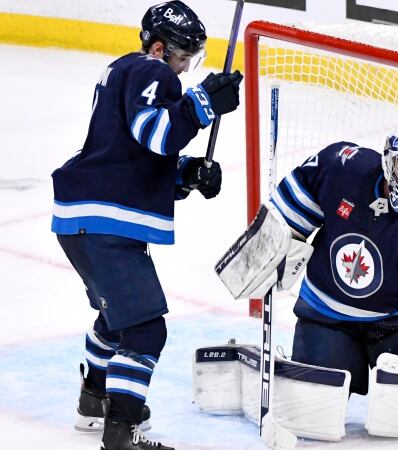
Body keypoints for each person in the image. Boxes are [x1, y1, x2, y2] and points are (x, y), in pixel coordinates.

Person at [50, 1, 242, 449]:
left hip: (82, 215)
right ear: (158, 48)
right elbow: (156, 134)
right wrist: (203, 104)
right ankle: (120, 434)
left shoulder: (124, 71)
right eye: (182, 57)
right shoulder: (154, 73)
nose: (185, 69)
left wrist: (187, 173)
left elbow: (132, 155)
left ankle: (95, 400)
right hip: (104, 221)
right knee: (145, 330)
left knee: (117, 318)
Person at [268, 123, 398, 396]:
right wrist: (271, 246)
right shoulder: (343, 167)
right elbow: (287, 212)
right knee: (316, 399)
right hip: (327, 316)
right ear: (389, 159)